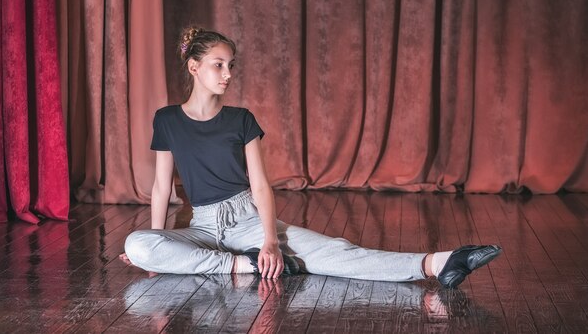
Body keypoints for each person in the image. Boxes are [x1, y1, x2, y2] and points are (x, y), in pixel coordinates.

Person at [121, 27, 501, 289]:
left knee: (334, 253)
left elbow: (260, 187)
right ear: (194, 67)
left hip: (248, 222)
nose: (228, 74)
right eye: (218, 65)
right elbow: (160, 187)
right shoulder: (167, 119)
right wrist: (158, 249)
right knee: (138, 245)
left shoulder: (241, 119)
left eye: (231, 65)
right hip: (202, 227)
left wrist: (270, 240)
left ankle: (439, 263)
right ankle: (246, 266)